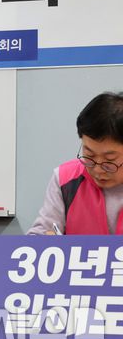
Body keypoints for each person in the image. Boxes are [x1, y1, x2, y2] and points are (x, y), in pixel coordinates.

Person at [28, 92, 123, 235]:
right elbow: (40, 231)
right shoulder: (66, 180)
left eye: (109, 160)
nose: (98, 169)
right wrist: (43, 239)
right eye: (89, 155)